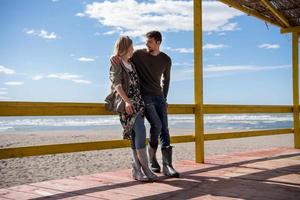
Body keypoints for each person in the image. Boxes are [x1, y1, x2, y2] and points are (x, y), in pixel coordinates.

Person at [111, 31, 179, 178]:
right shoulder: (138, 55)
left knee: (163, 129)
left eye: (150, 42)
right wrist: (113, 56)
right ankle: (149, 161)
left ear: (158, 42)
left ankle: (166, 165)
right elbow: (120, 62)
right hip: (143, 98)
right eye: (146, 41)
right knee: (154, 126)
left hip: (155, 98)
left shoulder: (165, 59)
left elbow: (166, 81)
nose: (146, 44)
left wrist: (164, 98)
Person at [105, 36, 158, 182]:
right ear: (126, 47)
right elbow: (117, 85)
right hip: (127, 105)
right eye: (131, 47)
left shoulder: (131, 63)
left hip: (138, 103)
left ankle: (137, 170)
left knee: (136, 136)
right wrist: (127, 102)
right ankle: (144, 169)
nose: (133, 49)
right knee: (141, 132)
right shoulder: (116, 64)